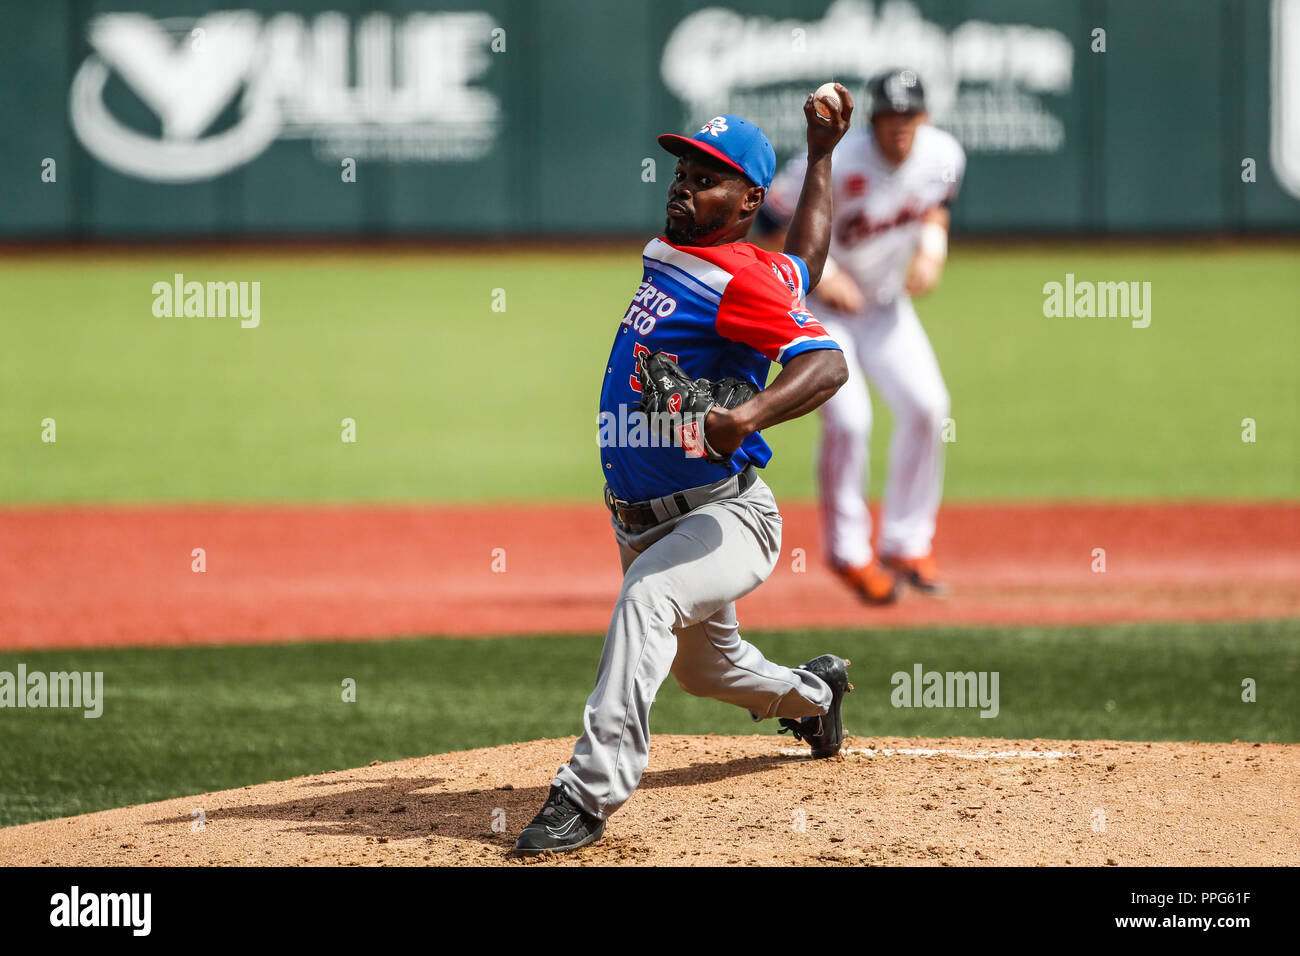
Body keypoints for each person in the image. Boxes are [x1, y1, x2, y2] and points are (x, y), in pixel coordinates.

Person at [514, 89, 856, 855]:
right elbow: (804, 264)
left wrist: (747, 416)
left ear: (747, 201)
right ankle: (814, 695)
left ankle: (586, 793)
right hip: (641, 518)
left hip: (724, 514)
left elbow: (827, 362)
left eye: (707, 177)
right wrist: (824, 156)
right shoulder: (690, 256)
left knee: (647, 601)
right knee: (712, 670)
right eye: (683, 171)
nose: (683, 184)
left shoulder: (738, 282)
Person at [758, 69, 966, 603]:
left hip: (885, 308)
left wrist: (931, 252)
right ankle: (849, 553)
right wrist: (825, 273)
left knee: (928, 407)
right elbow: (772, 230)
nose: (900, 128)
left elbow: (936, 207)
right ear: (872, 119)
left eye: (909, 117)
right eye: (890, 118)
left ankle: (906, 542)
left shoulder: (943, 155)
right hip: (823, 309)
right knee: (851, 422)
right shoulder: (832, 163)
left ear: (925, 118)